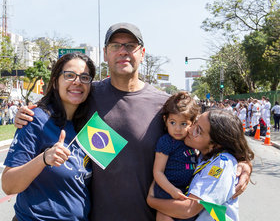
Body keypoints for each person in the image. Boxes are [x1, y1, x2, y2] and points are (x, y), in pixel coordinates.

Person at [13, 22, 252, 221]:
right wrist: (23, 113)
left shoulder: (166, 105)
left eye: (130, 45)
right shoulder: (87, 94)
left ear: (142, 53)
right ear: (106, 53)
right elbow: (54, 105)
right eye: (116, 45)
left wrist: (241, 161)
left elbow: (212, 132)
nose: (123, 51)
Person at [2, 52, 95, 221]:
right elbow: (8, 185)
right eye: (69, 75)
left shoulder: (91, 127)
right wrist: (44, 159)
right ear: (55, 81)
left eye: (84, 77)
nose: (77, 82)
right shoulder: (35, 119)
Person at [147, 109, 254, 220]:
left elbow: (188, 210)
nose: (189, 129)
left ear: (215, 145)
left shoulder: (221, 164)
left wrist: (151, 201)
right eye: (194, 123)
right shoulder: (204, 155)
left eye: (198, 130)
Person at [153, 91, 200, 221]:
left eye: (183, 124)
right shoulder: (167, 141)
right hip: (167, 192)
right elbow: (158, 172)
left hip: (184, 192)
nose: (177, 129)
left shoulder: (191, 141)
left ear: (192, 123)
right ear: (165, 120)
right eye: (172, 123)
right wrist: (172, 190)